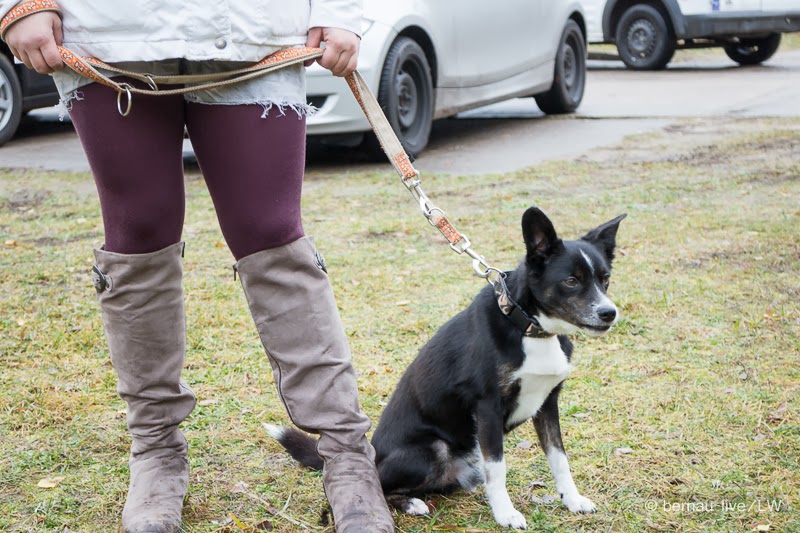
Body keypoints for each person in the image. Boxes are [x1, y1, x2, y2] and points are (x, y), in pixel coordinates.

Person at [0, 1, 395, 532]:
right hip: (108, 35)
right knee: (137, 233)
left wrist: (337, 10)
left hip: (254, 32)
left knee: (272, 233)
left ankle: (348, 455)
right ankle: (157, 454)